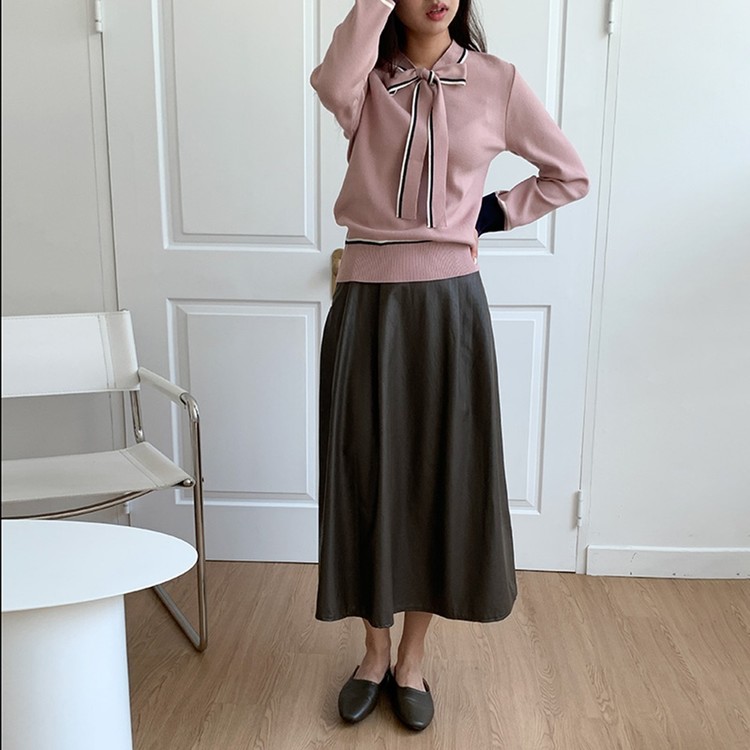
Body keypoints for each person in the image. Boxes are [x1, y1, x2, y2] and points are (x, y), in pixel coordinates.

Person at [311, 0, 589, 732]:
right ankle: (372, 652)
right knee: (364, 473)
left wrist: (486, 215)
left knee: (440, 476)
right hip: (366, 303)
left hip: (450, 308)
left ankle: (412, 658)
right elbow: (329, 80)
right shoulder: (365, 80)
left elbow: (568, 174)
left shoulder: (497, 81)